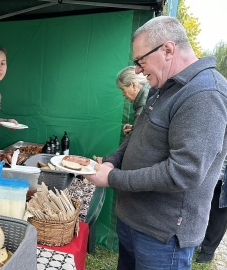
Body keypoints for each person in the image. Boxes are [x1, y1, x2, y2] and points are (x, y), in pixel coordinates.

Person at [85, 16, 227, 269]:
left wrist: (113, 178)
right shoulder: (163, 86)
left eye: (141, 60)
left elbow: (183, 173)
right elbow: (136, 135)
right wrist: (111, 162)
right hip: (134, 222)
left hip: (162, 236)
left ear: (168, 50)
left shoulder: (205, 94)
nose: (138, 70)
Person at [196, 159, 227, 263]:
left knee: (219, 214)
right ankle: (196, 240)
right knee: (198, 207)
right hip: (208, 172)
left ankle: (208, 251)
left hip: (223, 178)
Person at [115, 66, 150, 136]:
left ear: (133, 85)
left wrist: (135, 135)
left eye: (123, 89)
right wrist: (135, 129)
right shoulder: (153, 100)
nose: (123, 94)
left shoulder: (143, 110)